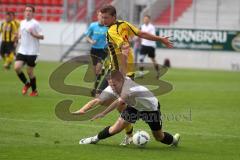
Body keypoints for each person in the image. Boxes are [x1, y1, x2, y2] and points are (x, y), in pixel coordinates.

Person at [73, 70, 180, 147]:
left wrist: (103, 113)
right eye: (111, 85)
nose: (113, 88)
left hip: (150, 109)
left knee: (159, 137)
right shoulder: (113, 85)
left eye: (114, 85)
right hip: (134, 107)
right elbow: (98, 100)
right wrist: (83, 109)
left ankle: (174, 140)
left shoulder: (129, 87)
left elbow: (119, 101)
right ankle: (94, 139)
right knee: (116, 128)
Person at [14, 5, 44, 96]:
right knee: (17, 67)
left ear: (33, 13)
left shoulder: (36, 24)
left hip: (33, 52)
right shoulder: (22, 22)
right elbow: (20, 35)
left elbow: (42, 36)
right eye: (26, 10)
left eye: (30, 11)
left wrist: (34, 35)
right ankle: (27, 84)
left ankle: (34, 91)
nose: (28, 12)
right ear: (24, 12)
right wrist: (17, 37)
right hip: (22, 50)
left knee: (29, 72)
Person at [84, 11, 108, 97]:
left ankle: (95, 89)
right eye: (100, 16)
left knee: (98, 69)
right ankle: (97, 86)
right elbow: (87, 36)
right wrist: (91, 41)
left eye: (103, 16)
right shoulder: (93, 25)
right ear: (97, 17)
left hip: (103, 50)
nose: (102, 18)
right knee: (96, 72)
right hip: (94, 50)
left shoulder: (107, 27)